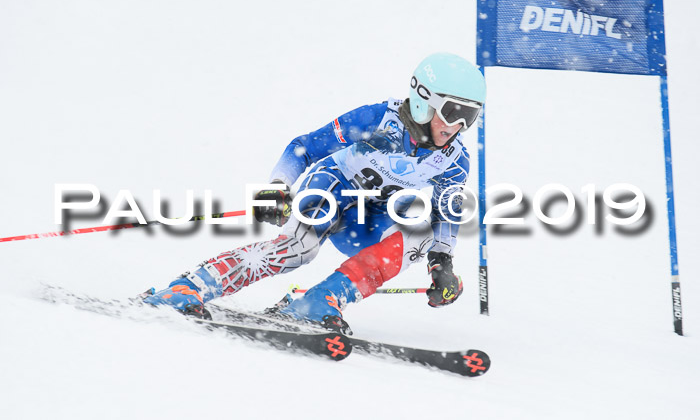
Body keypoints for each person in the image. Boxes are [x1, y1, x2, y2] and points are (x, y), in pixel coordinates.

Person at [143, 52, 486, 334]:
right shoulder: (379, 119)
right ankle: (189, 287)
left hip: (370, 219)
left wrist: (442, 263)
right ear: (425, 100)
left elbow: (445, 211)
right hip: (332, 188)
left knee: (422, 234)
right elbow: (303, 147)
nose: (457, 127)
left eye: (469, 117)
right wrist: (278, 187)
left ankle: (319, 301)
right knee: (298, 250)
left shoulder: (454, 160)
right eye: (453, 113)